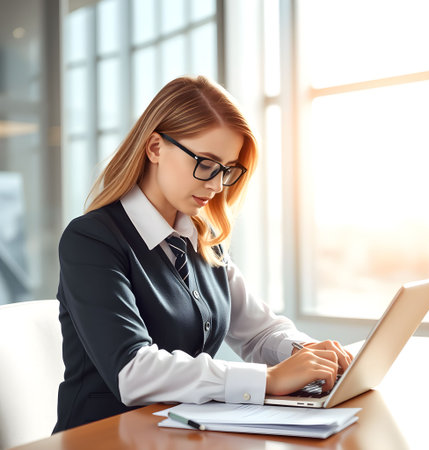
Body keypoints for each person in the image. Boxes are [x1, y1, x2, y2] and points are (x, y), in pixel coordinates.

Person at [53, 75, 353, 432]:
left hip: (176, 433)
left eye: (227, 170)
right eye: (206, 163)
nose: (215, 184)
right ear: (154, 148)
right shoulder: (92, 240)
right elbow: (132, 371)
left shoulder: (201, 237)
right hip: (102, 438)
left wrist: (308, 354)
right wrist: (267, 379)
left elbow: (257, 332)